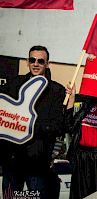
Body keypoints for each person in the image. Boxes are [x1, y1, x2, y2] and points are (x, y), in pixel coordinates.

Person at [0, 45, 65, 198]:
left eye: (40, 61)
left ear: (47, 64)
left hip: (37, 164)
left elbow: (58, 126)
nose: (36, 64)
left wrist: (29, 125)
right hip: (12, 163)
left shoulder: (56, 90)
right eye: (32, 60)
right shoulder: (15, 83)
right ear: (27, 62)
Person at [64, 64, 97, 199]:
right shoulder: (87, 103)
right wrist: (71, 98)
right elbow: (69, 127)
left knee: (96, 196)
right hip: (81, 157)